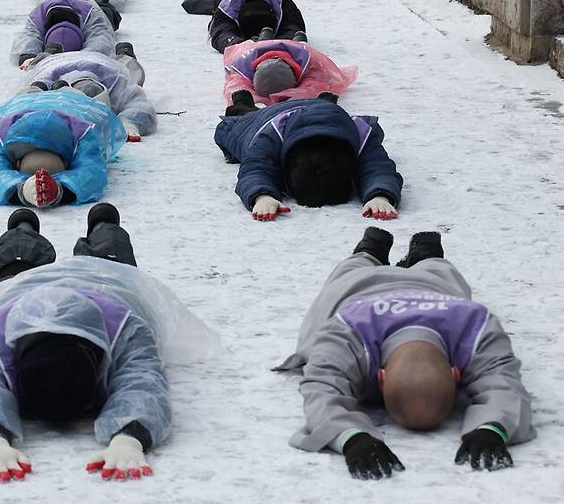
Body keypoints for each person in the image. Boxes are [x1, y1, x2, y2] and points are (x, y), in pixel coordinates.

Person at [0, 204, 215, 481]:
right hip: (21, 292)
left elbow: (143, 380)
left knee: (111, 263)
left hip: (107, 286)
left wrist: (129, 438)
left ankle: (103, 228)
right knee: (17, 269)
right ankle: (23, 232)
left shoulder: (127, 327)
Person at [278, 228, 534, 478]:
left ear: (381, 377)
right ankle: (386, 251)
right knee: (360, 270)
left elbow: (323, 388)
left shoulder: (474, 324)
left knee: (434, 275)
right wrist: (494, 424)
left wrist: (492, 427)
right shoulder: (346, 330)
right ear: (456, 374)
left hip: (420, 287)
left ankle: (408, 252)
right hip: (360, 288)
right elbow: (503, 381)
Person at [214, 95, 402, 221]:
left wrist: (380, 195)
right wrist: (261, 195)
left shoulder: (360, 136)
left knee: (325, 108)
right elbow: (255, 166)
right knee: (243, 116)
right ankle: (242, 100)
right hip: (263, 118)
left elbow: (377, 168)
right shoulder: (271, 135)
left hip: (326, 113)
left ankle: (324, 98)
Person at [0, 90, 126, 207]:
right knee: (83, 88)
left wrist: (20, 190)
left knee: (34, 88)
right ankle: (59, 87)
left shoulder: (1, 133)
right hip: (73, 101)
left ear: (17, 164)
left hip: (37, 100)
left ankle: (41, 87)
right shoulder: (82, 133)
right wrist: (61, 190)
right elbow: (91, 173)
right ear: (66, 162)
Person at [20, 49, 157, 140]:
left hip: (102, 61)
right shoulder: (43, 83)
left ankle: (124, 52)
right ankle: (46, 53)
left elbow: (140, 105)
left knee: (131, 67)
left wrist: (128, 124)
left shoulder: (116, 83)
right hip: (54, 62)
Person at [223, 39, 358, 106]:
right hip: (263, 51)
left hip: (292, 51)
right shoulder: (242, 66)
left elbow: (315, 86)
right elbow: (235, 89)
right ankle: (294, 37)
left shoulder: (310, 62)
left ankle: (297, 38)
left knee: (298, 40)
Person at [11, 0, 116, 65]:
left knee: (109, 16)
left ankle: (103, 2)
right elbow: (30, 37)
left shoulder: (92, 15)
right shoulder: (37, 18)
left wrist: (85, 56)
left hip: (91, 4)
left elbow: (101, 38)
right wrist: (29, 56)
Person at [209, 0, 307, 54]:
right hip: (267, 13)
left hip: (247, 17)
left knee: (225, 36)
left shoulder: (225, 6)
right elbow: (295, 24)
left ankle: (252, 43)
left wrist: (240, 45)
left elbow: (220, 33)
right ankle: (287, 42)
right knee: (293, 30)